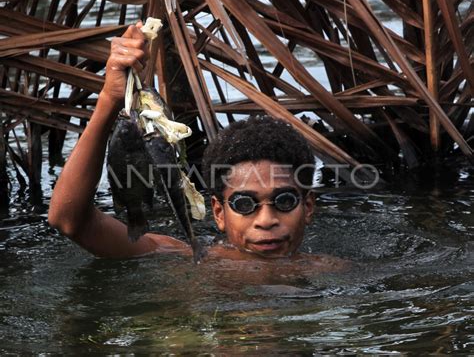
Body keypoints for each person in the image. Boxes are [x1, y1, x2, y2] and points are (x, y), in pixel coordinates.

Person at [48, 23, 347, 269]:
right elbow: (69, 221)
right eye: (244, 204)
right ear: (218, 212)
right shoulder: (191, 259)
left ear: (308, 207)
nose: (266, 221)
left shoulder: (333, 272)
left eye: (284, 202)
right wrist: (109, 100)